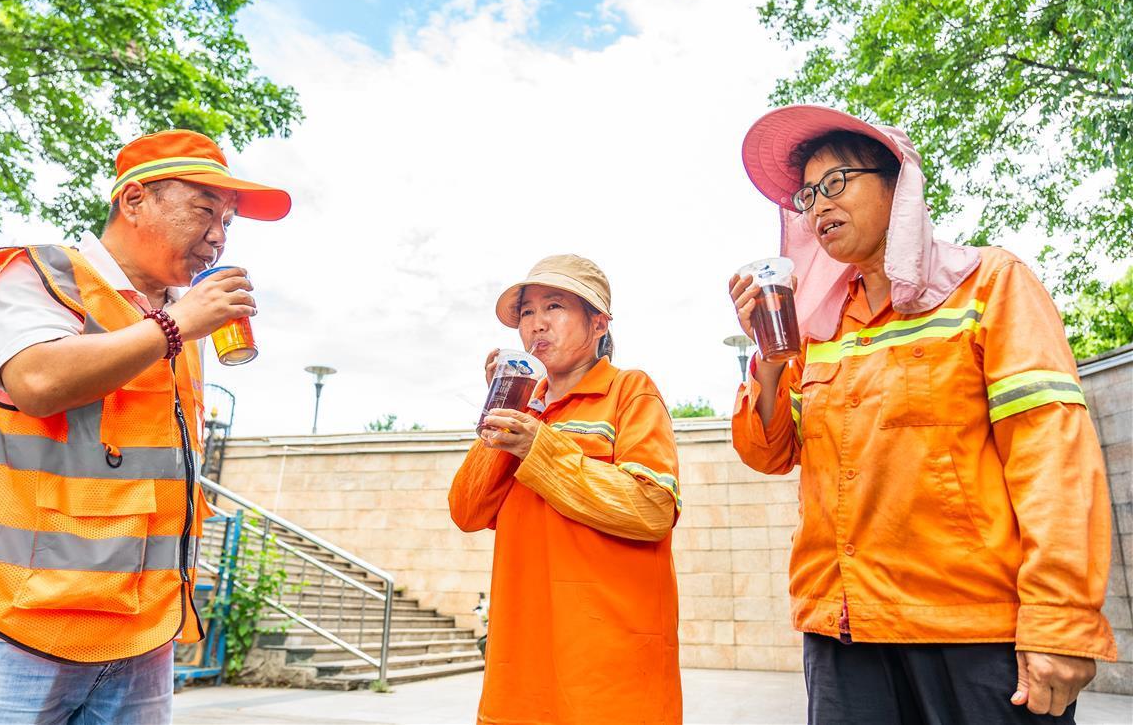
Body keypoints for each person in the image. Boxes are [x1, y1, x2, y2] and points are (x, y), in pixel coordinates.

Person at [729, 105, 1116, 724]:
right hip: (843, 631)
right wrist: (769, 354)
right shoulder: (819, 330)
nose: (818, 205)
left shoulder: (989, 284)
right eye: (806, 195)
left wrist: (1061, 619)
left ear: (897, 183)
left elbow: (1053, 452)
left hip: (973, 633)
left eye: (837, 182)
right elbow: (769, 452)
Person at [0, 129, 291, 724]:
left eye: (228, 222)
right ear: (134, 201)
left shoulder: (179, 319)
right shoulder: (45, 275)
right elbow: (37, 381)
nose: (218, 236)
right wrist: (175, 325)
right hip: (13, 624)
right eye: (205, 210)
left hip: (140, 634)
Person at [449, 254, 683, 725]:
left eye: (554, 307)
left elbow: (652, 507)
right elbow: (467, 511)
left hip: (608, 670)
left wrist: (542, 449)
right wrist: (507, 403)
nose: (537, 324)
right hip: (521, 670)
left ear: (599, 323)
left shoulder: (629, 391)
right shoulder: (524, 408)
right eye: (527, 312)